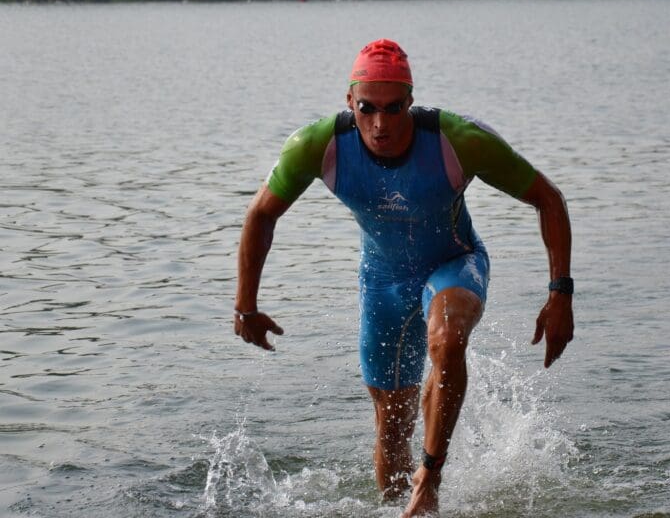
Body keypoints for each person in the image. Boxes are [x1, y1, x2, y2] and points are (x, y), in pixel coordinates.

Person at [233, 38, 574, 517]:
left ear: (410, 104)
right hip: (383, 284)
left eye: (394, 109)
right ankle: (400, 506)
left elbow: (548, 197)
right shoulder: (318, 145)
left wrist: (561, 293)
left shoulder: (459, 140)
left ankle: (429, 480)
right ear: (349, 102)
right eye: (368, 108)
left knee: (448, 339)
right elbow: (261, 215)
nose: (380, 124)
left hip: (454, 263)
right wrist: (245, 306)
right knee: (391, 428)